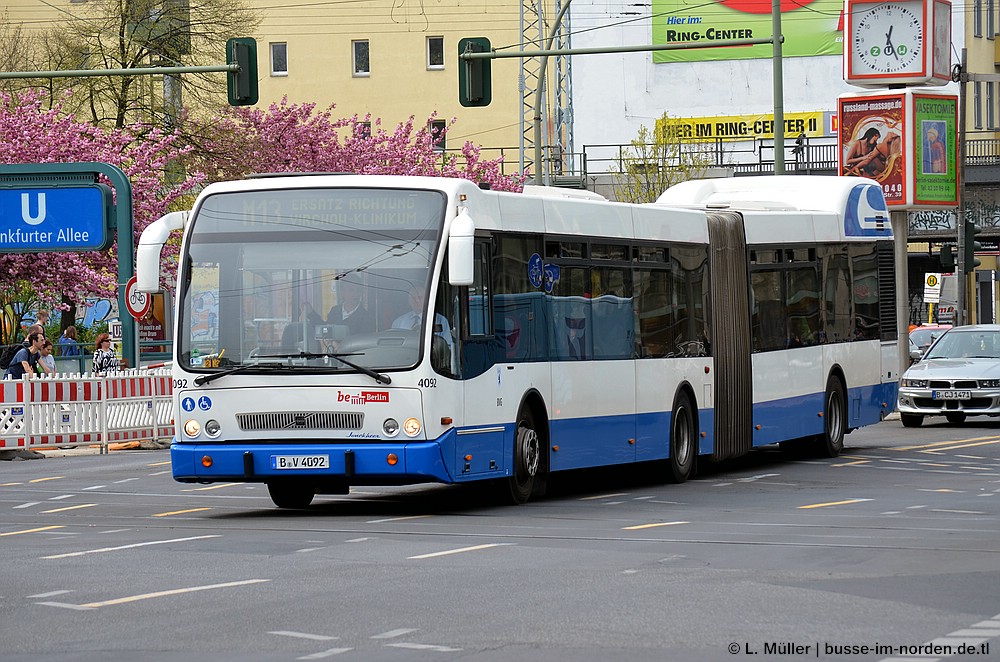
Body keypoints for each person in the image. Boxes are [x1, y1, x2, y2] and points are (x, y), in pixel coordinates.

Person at [392, 283, 453, 350]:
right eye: (413, 298)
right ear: (408, 301)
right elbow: (394, 347)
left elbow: (447, 347)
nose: (417, 301)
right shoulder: (399, 322)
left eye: (420, 297)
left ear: (427, 299)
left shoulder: (440, 320)